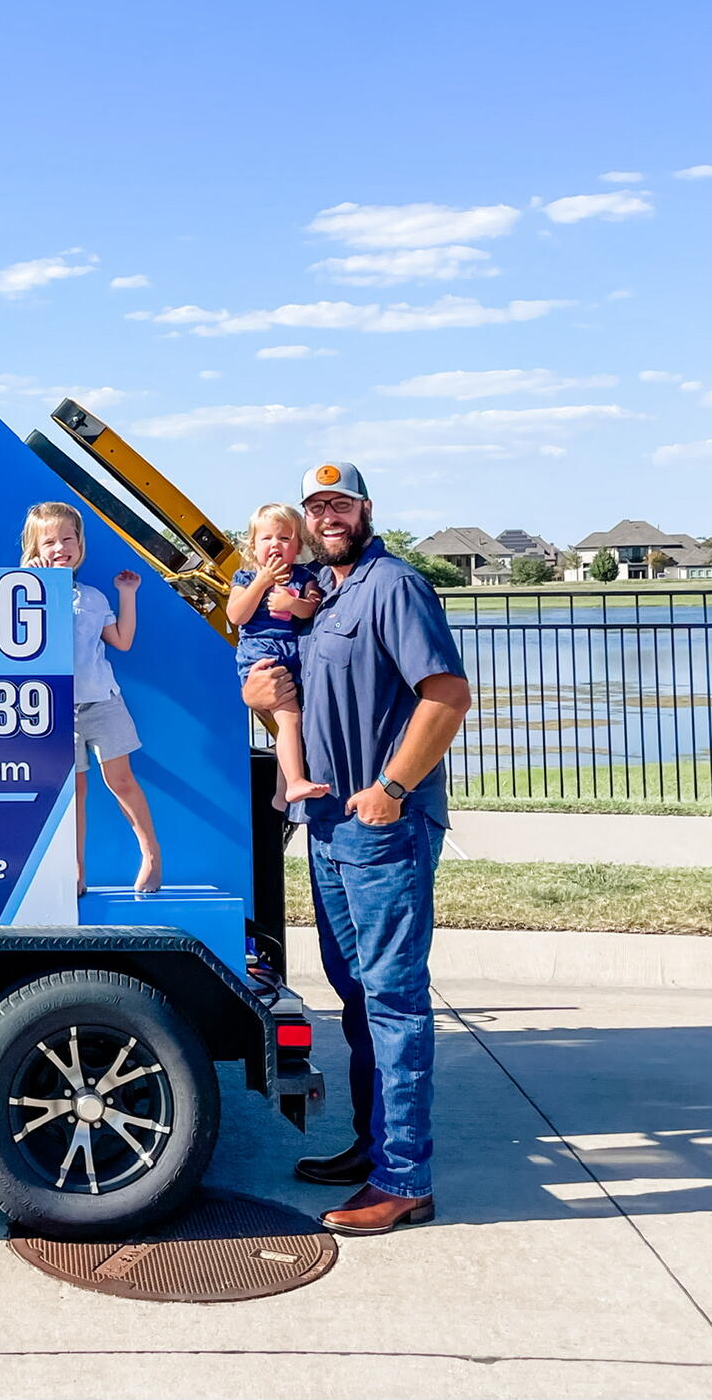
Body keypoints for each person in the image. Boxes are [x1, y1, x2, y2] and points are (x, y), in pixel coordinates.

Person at [241, 461, 471, 1236]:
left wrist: (394, 788)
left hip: (382, 829)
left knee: (394, 1002)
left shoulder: (394, 586)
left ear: (365, 508)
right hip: (329, 830)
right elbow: (290, 689)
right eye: (316, 506)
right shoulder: (324, 595)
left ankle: (405, 1179)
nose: (327, 515)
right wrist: (259, 696)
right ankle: (374, 1150)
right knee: (357, 1001)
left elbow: (446, 695)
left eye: (339, 503)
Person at [22, 501, 163, 893]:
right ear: (35, 550)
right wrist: (30, 586)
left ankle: (151, 854)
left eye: (68, 538)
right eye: (49, 541)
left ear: (81, 545)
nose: (60, 547)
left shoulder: (93, 597)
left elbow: (123, 640)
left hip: (102, 701)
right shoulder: (22, 593)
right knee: (74, 793)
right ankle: (77, 871)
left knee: (120, 780)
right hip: (55, 711)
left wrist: (127, 594)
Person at [226, 503, 327, 807]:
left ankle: (283, 793)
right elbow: (236, 615)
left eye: (284, 539)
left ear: (297, 547)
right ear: (253, 546)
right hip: (263, 657)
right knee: (289, 719)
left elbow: (311, 607)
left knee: (292, 725)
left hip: (294, 655)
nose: (275, 545)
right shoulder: (244, 578)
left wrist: (290, 603)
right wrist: (262, 582)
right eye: (267, 539)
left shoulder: (304, 577)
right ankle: (293, 783)